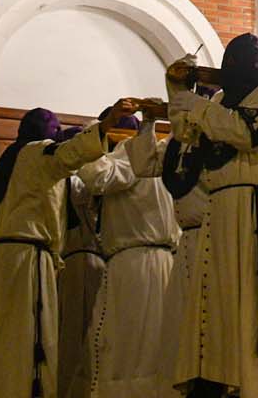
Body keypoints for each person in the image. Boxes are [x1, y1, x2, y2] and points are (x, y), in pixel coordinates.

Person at [0, 103, 133, 398]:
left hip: (6, 257)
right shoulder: (38, 152)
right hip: (29, 257)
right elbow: (70, 153)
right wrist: (106, 124)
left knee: (3, 338)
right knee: (31, 338)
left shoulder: (14, 157)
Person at [169, 34, 258, 398]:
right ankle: (219, 379)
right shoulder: (222, 100)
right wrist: (178, 90)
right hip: (223, 208)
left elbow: (245, 132)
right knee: (220, 306)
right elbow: (185, 133)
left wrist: (197, 103)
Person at [73, 110, 179, 396]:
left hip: (133, 266)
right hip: (169, 264)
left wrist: (93, 133)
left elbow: (97, 177)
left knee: (123, 348)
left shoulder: (130, 153)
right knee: (157, 349)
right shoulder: (165, 156)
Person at [157, 94, 213, 398]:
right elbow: (145, 163)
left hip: (211, 239)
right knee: (180, 330)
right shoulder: (173, 146)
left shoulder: (213, 136)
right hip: (185, 243)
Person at [58, 136, 104, 398]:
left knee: (69, 337)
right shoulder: (80, 180)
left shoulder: (60, 178)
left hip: (69, 262)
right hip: (86, 261)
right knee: (80, 341)